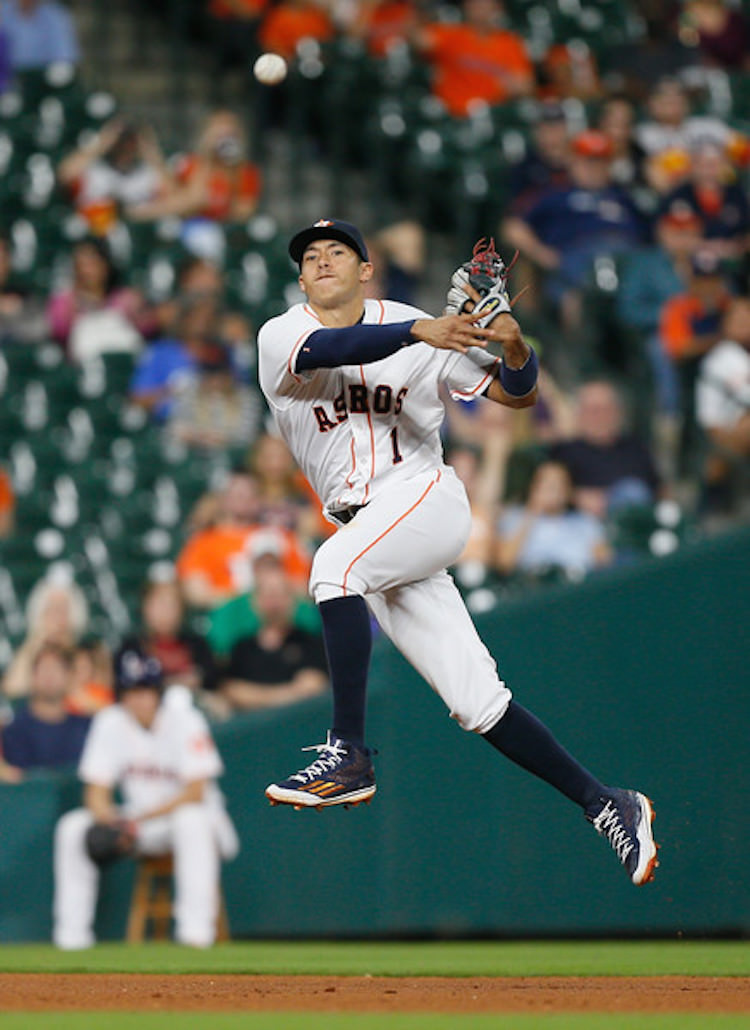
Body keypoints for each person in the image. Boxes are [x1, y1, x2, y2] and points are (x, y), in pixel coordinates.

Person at [255, 217, 659, 887]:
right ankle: (608, 803)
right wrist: (425, 330)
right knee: (478, 703)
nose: (322, 261)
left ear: (366, 269)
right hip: (374, 535)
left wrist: (515, 346)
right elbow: (334, 347)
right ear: (300, 278)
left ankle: (348, 755)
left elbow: (518, 394)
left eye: (338, 252)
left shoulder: (421, 328)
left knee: (332, 568)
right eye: (311, 256)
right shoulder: (282, 334)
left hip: (424, 499)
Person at [52, 647, 239, 949]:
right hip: (141, 824)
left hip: (200, 822)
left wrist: (135, 820)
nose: (139, 698)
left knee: (191, 821)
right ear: (121, 694)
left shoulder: (185, 719)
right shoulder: (110, 721)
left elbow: (195, 792)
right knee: (72, 827)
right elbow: (96, 792)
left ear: (158, 692)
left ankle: (196, 934)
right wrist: (110, 819)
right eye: (131, 691)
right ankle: (71, 937)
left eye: (146, 690)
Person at [502, 130, 645, 331]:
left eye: (600, 162)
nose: (594, 168)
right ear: (573, 161)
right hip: (576, 258)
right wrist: (543, 255)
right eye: (588, 161)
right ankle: (579, 354)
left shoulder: (622, 195)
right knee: (577, 296)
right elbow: (512, 228)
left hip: (626, 258)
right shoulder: (554, 193)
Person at [175, 470, 312, 608]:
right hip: (226, 618)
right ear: (222, 499)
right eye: (237, 494)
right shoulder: (202, 542)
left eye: (249, 494)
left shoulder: (279, 538)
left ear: (259, 500)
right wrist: (244, 601)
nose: (243, 498)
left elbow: (301, 587)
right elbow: (195, 593)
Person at [221, 563, 328, 712]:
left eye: (281, 594)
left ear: (292, 600)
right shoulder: (242, 648)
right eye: (269, 595)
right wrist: (290, 693)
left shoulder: (309, 642)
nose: (275, 603)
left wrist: (255, 696)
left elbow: (313, 684)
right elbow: (232, 691)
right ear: (255, 602)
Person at [548, 380, 662, 520]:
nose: (599, 417)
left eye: (606, 409)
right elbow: (543, 492)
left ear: (618, 413)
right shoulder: (563, 451)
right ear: (579, 414)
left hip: (632, 522)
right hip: (580, 524)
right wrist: (577, 497)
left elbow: (657, 489)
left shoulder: (636, 448)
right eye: (593, 410)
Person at [414, 0, 533, 119]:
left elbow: (526, 86)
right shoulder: (452, 34)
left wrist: (510, 85)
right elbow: (419, 39)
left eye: (485, 6)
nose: (480, 11)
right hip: (452, 114)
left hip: (492, 116)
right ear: (466, 7)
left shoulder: (509, 43)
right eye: (475, 5)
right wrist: (422, 10)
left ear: (497, 9)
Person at [495, 460, 611, 579]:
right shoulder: (514, 518)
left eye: (559, 484)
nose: (553, 491)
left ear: (568, 490)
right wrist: (532, 513)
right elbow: (504, 563)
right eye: (547, 484)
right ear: (534, 487)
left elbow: (604, 561)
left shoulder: (584, 521)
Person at [57, 119, 170, 236]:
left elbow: (175, 199)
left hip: (131, 234)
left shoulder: (147, 174)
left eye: (131, 142)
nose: (126, 148)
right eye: (121, 142)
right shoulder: (94, 169)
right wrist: (101, 143)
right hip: (89, 230)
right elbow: (64, 175)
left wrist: (152, 155)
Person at [1, 643, 90, 773]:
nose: (50, 676)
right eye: (44, 669)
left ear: (70, 676)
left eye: (57, 669)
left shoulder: (86, 727)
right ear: (33, 675)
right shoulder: (15, 730)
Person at [2, 571, 89, 699]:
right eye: (51, 608)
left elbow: (80, 695)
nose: (57, 615)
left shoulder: (84, 653)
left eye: (63, 608)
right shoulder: (32, 650)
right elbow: (12, 688)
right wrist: (36, 639)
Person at [166, 339, 262, 452]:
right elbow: (175, 428)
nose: (215, 380)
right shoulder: (189, 393)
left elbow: (247, 436)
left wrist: (220, 439)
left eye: (221, 374)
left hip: (233, 455)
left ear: (231, 374)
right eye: (209, 374)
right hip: (194, 453)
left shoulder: (247, 397)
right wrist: (201, 438)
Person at [2, 0, 79, 70]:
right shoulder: (3, 11)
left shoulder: (56, 15)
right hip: (6, 76)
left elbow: (63, 57)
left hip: (44, 76)